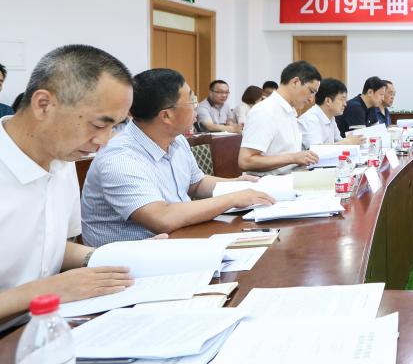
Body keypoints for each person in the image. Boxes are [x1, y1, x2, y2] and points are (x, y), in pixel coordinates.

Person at [0, 45, 136, 318]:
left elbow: (48, 247)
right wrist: (44, 290)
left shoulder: (63, 160)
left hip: (50, 322)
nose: (104, 141)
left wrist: (118, 258)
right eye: (99, 125)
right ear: (43, 105)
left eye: (115, 127)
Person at [81, 69, 276, 246]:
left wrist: (238, 184)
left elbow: (196, 184)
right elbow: (162, 218)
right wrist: (233, 198)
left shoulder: (177, 140)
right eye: (192, 100)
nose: (196, 106)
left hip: (180, 239)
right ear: (166, 116)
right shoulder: (120, 158)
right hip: (129, 261)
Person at [239, 62, 321, 174]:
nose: (311, 99)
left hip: (290, 177)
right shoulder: (265, 111)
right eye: (311, 91)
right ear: (295, 82)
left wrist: (301, 158)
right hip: (268, 181)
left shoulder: (290, 111)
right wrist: (292, 158)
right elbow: (245, 161)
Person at [299, 78, 366, 148]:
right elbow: (316, 150)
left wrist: (349, 142)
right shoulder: (310, 119)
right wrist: (346, 143)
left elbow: (339, 140)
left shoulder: (331, 117)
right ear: (328, 101)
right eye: (341, 99)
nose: (345, 104)